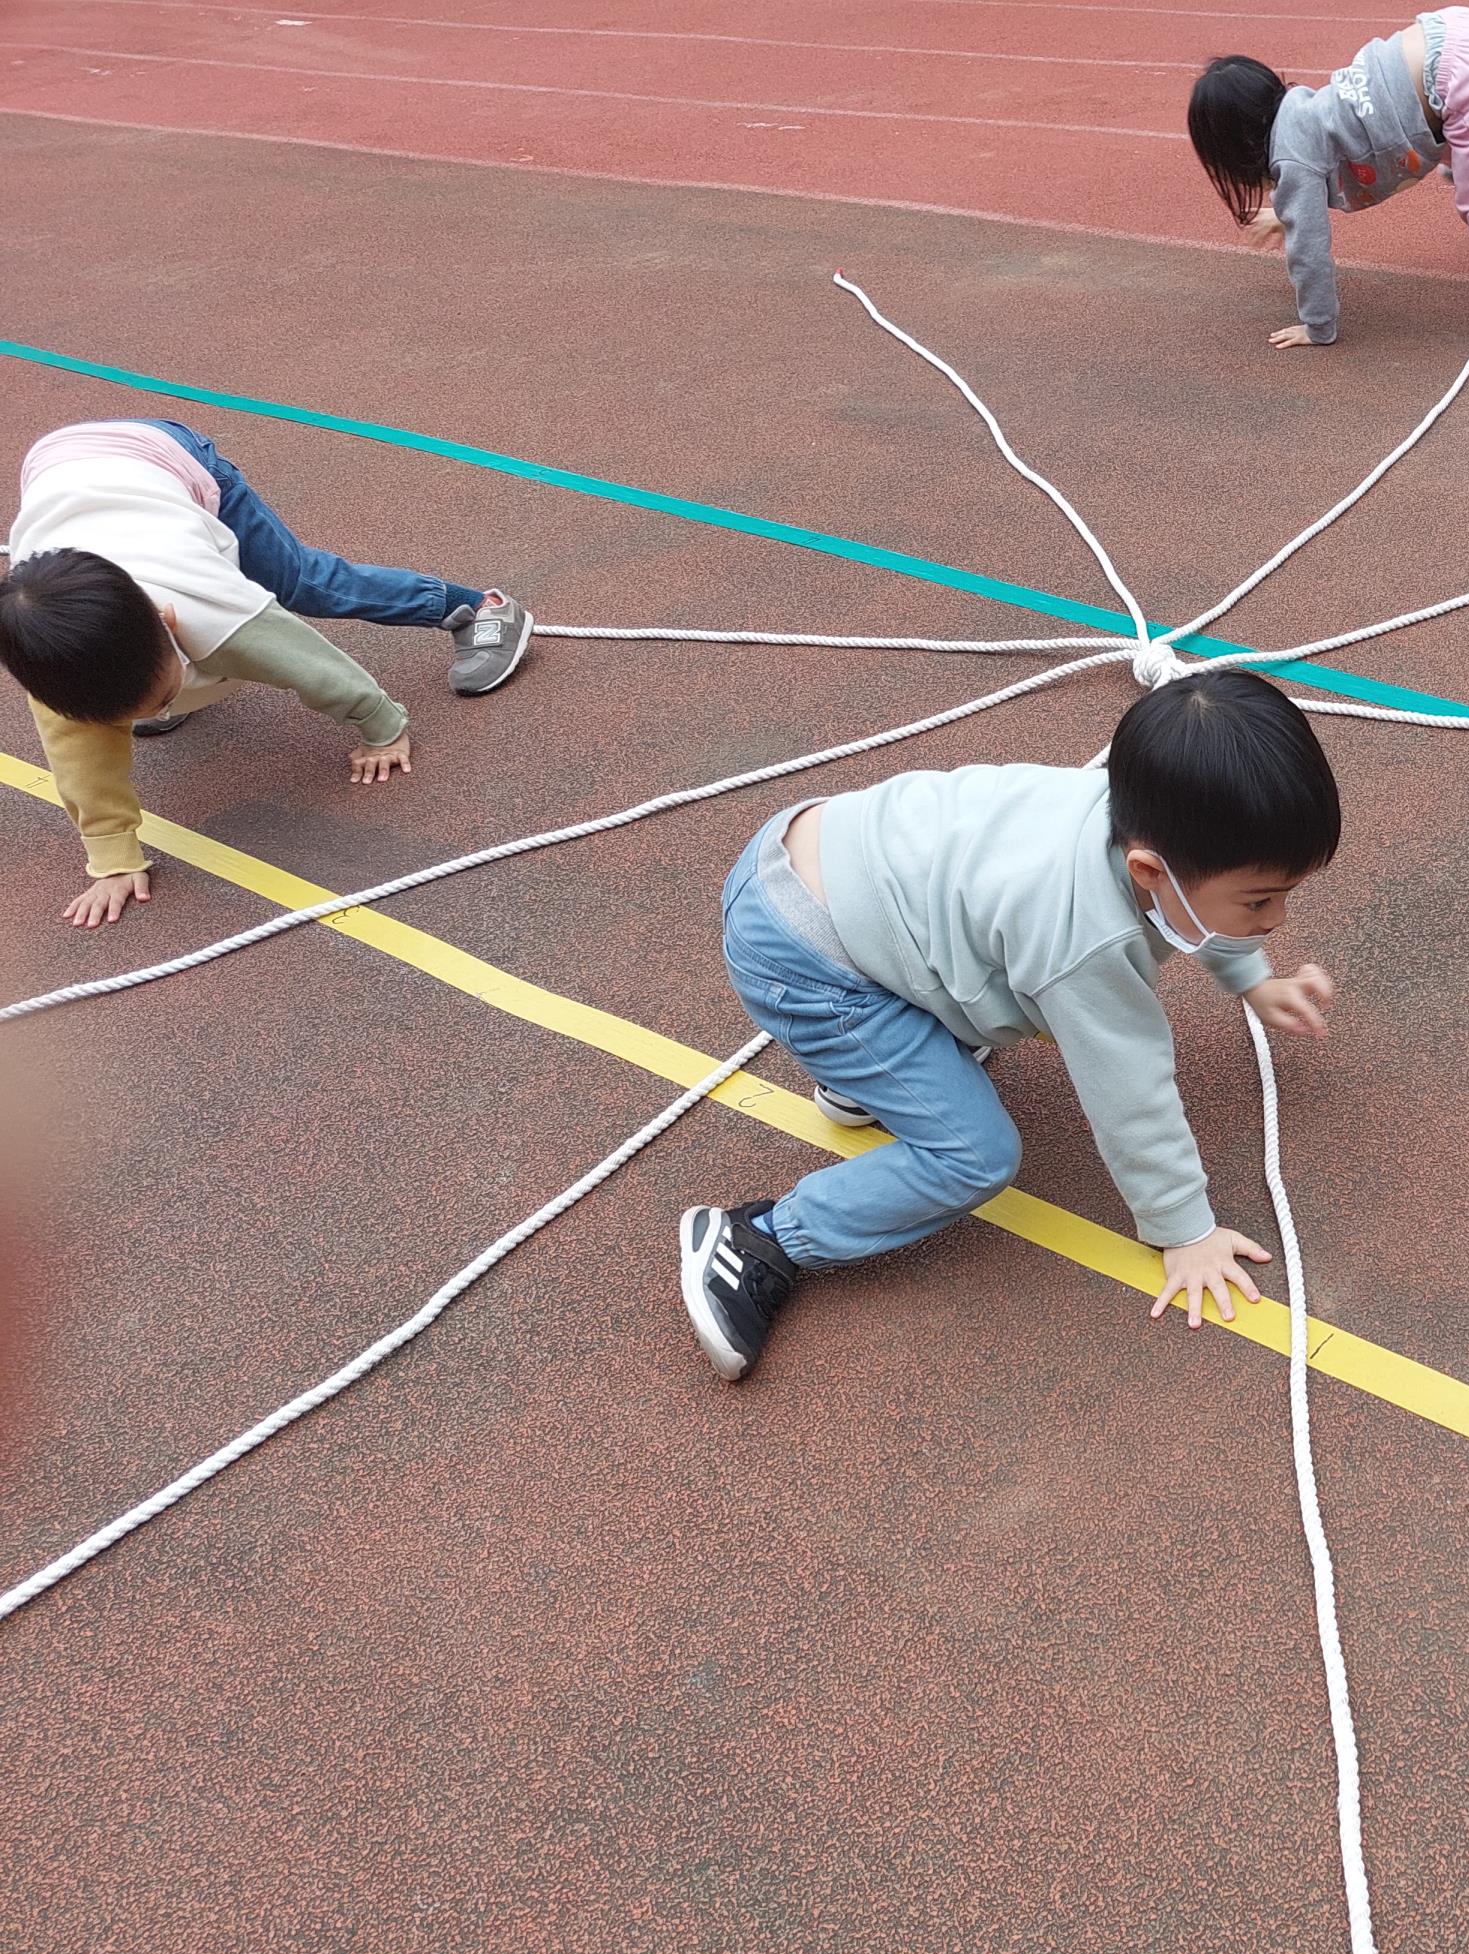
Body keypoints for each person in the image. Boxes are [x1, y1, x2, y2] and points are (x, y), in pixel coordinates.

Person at [678, 669, 1343, 1382]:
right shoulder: (1082, 939)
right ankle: (760, 1239)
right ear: (1149, 869)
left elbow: (1201, 900)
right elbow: (1131, 1094)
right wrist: (1184, 1228)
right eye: (1261, 902)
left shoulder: (1140, 809)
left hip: (828, 861)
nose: (1277, 918)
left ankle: (870, 1079)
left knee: (989, 981)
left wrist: (1252, 978)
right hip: (806, 958)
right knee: (976, 1156)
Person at [0, 418, 533, 927]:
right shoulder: (55, 675)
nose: (157, 709)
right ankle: (150, 690)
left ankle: (476, 608)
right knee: (103, 716)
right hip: (60, 472)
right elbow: (79, 767)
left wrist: (383, 728)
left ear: (169, 622)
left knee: (300, 580)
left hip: (166, 457)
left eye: (163, 696)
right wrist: (113, 857)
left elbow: (313, 665)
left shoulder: (221, 613)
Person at [1187, 11, 1469, 355]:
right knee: (1413, 125)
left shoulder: (1291, 159)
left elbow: (1309, 252)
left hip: (1457, 77)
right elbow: (1361, 150)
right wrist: (1287, 214)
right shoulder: (1305, 108)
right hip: (1460, 28)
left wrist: (1318, 325)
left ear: (1233, 148)